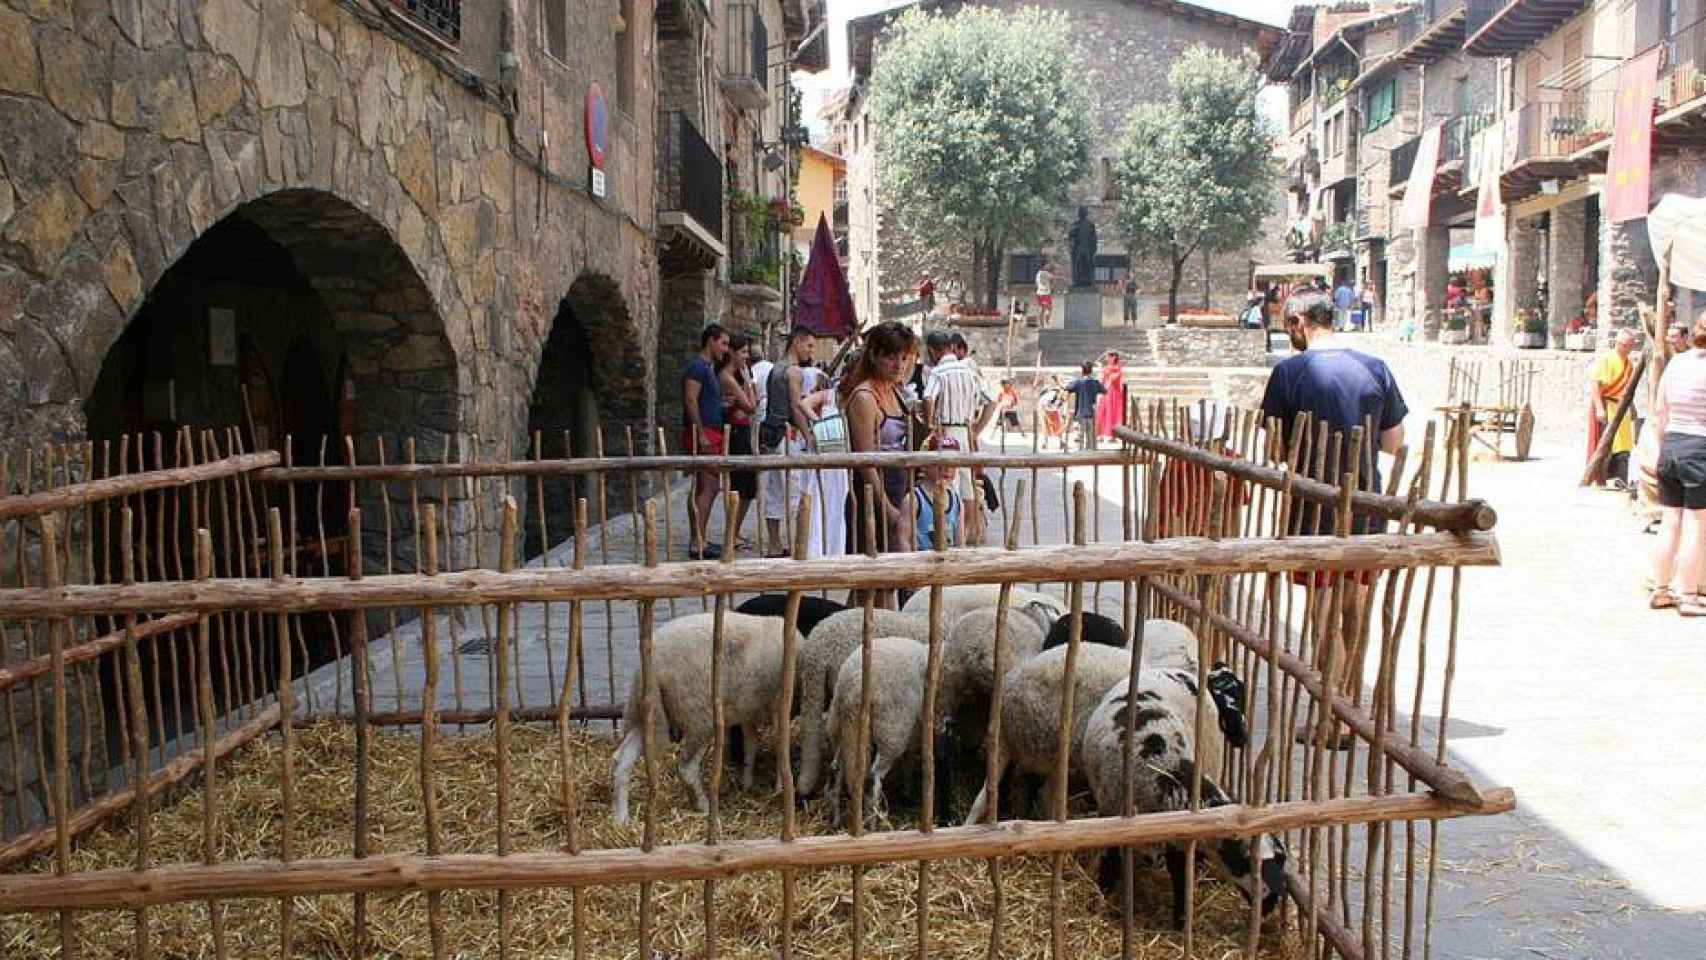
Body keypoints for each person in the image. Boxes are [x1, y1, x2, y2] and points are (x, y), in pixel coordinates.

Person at [1260, 288, 1408, 750]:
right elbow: (1393, 444)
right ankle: (1349, 707)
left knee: (1324, 616)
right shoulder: (1375, 368)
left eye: (1289, 328)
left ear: (1300, 322)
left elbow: (1274, 448)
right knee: (1354, 610)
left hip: (1314, 507)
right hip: (1365, 504)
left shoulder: (1289, 372)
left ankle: (1334, 717)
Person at [841, 322, 919, 565]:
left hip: (899, 487)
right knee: (872, 579)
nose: (899, 365)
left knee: (895, 573)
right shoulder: (865, 398)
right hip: (872, 495)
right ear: (874, 355)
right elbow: (865, 460)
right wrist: (886, 507)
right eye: (891, 357)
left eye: (904, 358)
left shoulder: (896, 392)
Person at [1648, 311, 1706, 616]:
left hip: (1672, 445)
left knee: (1670, 521)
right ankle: (1688, 595)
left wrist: (1662, 447)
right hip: (1700, 447)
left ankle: (1660, 588)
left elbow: (1660, 411)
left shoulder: (1677, 364)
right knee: (1696, 525)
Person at [761, 325, 818, 556]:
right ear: (797, 342)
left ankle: (775, 544)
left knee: (775, 491)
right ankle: (797, 545)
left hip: (773, 435)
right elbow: (796, 407)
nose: (811, 352)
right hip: (787, 436)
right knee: (793, 492)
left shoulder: (776, 369)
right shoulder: (793, 371)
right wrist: (808, 435)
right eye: (809, 345)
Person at [922, 330, 983, 542]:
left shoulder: (939, 372)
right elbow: (989, 400)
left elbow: (928, 397)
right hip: (966, 431)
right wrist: (977, 427)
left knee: (948, 481)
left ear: (933, 350)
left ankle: (948, 537)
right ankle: (965, 537)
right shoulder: (968, 370)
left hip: (947, 431)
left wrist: (930, 423)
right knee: (967, 484)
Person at [683, 323, 730, 560]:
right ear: (710, 341)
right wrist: (700, 432)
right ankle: (697, 541)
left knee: (705, 485)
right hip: (704, 432)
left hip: (711, 429)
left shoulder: (707, 368)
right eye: (723, 343)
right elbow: (691, 399)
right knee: (709, 485)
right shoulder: (698, 367)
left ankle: (698, 537)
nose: (725, 349)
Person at [1587, 329, 1638, 488]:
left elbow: (1627, 390)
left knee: (1623, 445)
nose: (1623, 348)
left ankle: (1620, 478)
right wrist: (1599, 407)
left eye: (1627, 345)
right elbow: (1595, 383)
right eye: (1621, 344)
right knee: (1605, 444)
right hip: (1607, 405)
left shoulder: (1629, 364)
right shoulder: (1607, 359)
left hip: (1621, 408)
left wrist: (1633, 408)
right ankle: (1601, 478)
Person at [912, 434, 965, 551]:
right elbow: (904, 539)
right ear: (925, 464)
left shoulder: (956, 501)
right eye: (941, 462)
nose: (948, 468)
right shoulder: (914, 500)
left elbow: (960, 542)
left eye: (953, 463)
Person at [1065, 361, 1106, 451]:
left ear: (1082, 371)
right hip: (1092, 412)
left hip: (1081, 412)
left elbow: (1067, 388)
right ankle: (1090, 452)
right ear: (1091, 371)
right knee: (1091, 435)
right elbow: (1104, 390)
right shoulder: (1095, 382)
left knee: (1080, 434)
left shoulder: (1078, 382)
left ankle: (1080, 452)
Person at [1095, 350, 1125, 439]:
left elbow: (1112, 379)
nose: (1106, 359)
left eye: (1108, 357)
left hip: (1114, 393)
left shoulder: (1117, 369)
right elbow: (1103, 380)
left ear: (1113, 358)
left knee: (1112, 411)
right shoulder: (1108, 368)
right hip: (1107, 393)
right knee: (1104, 411)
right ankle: (1102, 432)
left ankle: (1112, 433)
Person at [1039, 375, 1068, 449]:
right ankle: (1045, 442)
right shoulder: (1046, 389)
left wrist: (1063, 411)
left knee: (1058, 426)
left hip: (1055, 410)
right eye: (1049, 380)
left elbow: (1063, 400)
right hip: (1046, 410)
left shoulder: (1060, 389)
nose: (1050, 382)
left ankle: (1061, 442)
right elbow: (1041, 399)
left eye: (1052, 380)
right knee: (1045, 427)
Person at [1035, 262, 1055, 327]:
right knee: (1049, 308)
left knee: (1042, 309)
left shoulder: (1038, 273)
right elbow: (1053, 277)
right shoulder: (1044, 273)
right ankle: (1046, 322)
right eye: (1047, 265)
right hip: (1045, 293)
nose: (1048, 266)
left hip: (1040, 293)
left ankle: (1042, 324)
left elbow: (1036, 284)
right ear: (1043, 266)